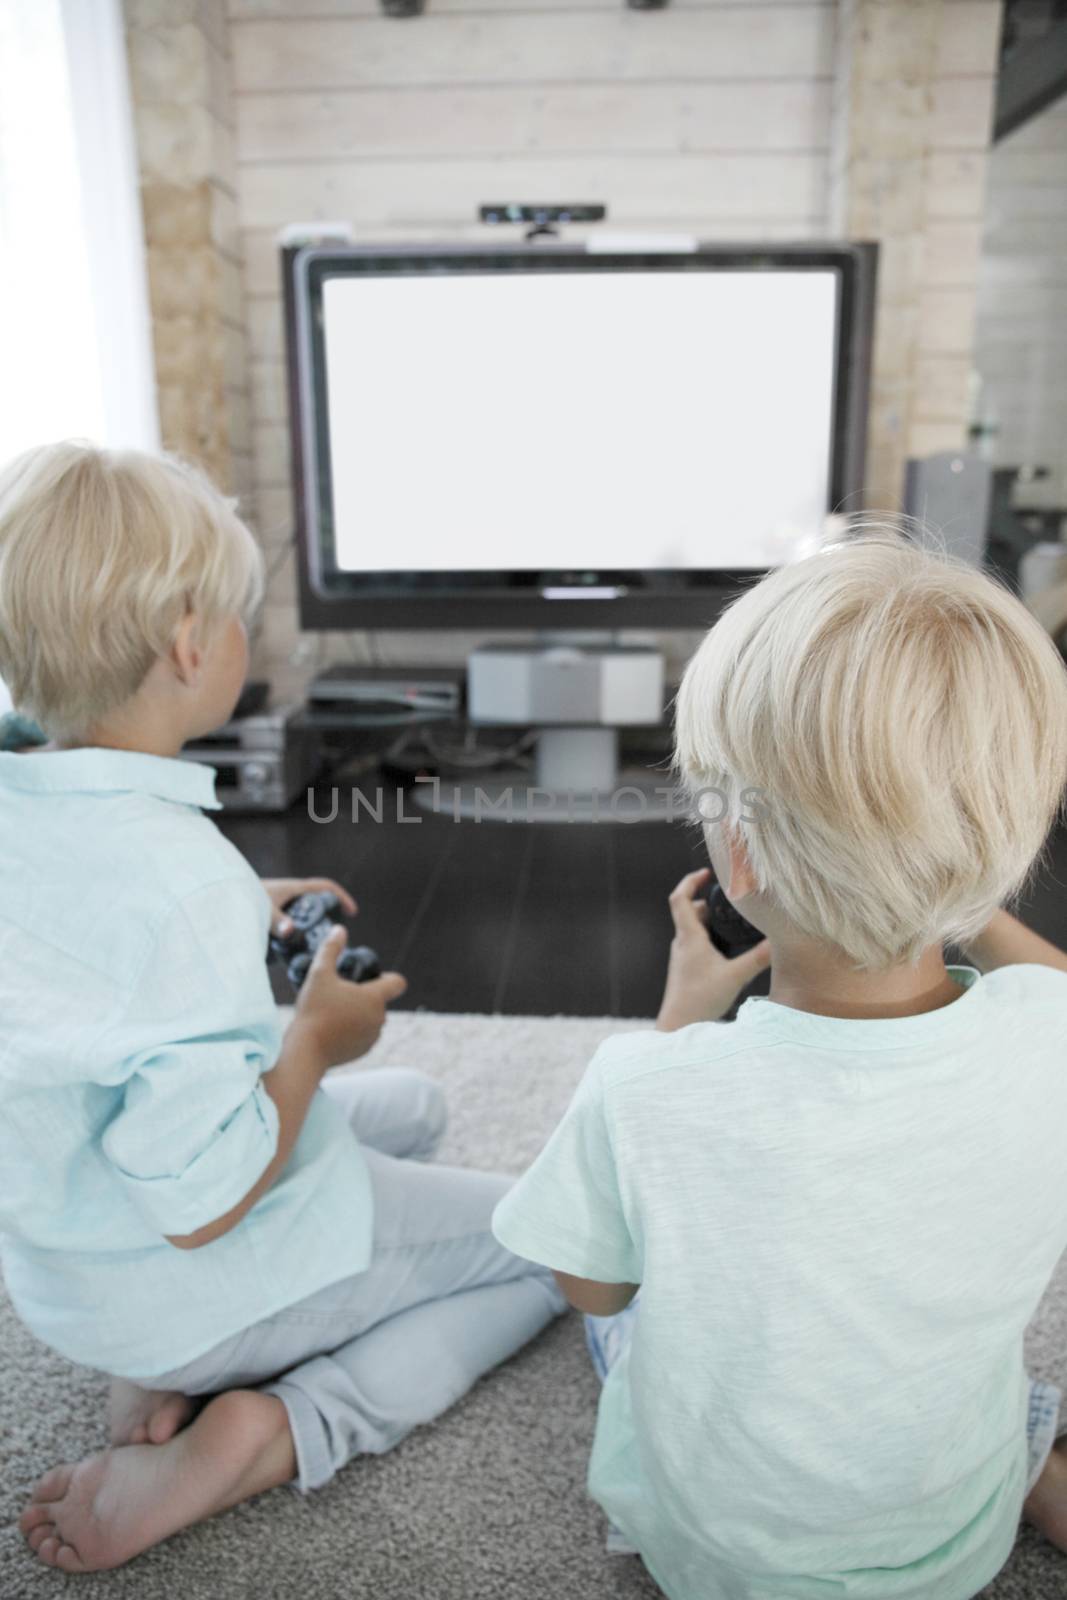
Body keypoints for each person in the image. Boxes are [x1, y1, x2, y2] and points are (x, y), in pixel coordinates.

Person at [0, 441, 564, 1574]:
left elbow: (80, 960)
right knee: (555, 1238)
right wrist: (314, 1038)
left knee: (409, 1104)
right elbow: (202, 1201)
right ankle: (266, 1429)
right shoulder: (177, 880)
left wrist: (239, 904)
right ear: (190, 645)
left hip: (71, 1266)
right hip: (186, 1264)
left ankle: (162, 1365)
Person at [493, 533, 1067, 1600]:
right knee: (1002, 1388)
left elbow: (592, 1279)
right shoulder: (1051, 1033)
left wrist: (675, 1020)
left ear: (739, 856)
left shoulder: (644, 1087)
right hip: (950, 1547)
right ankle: (1029, 1473)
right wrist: (955, 891)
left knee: (612, 1321)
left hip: (719, 1560)